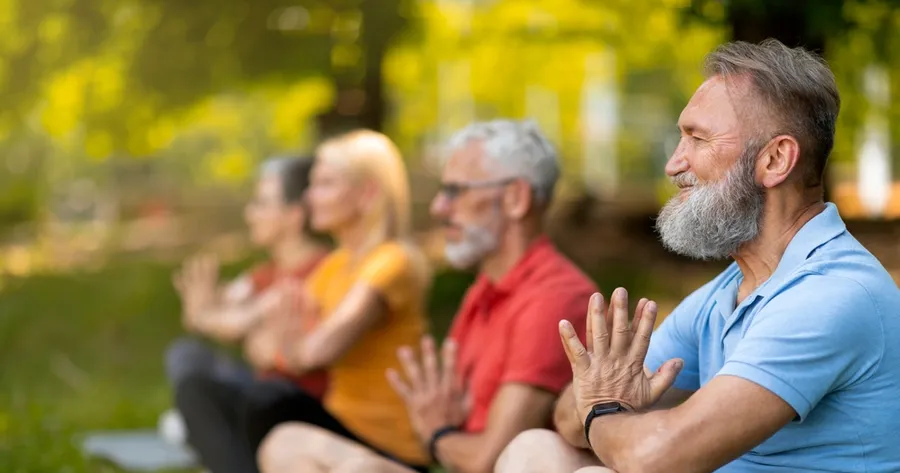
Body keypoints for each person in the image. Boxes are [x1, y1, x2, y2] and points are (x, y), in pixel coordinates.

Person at [496, 39, 900, 473]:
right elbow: (564, 420)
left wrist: (600, 408)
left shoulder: (831, 295)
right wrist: (604, 399)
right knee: (537, 449)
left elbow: (659, 456)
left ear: (776, 159)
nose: (674, 164)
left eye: (697, 138)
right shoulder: (729, 292)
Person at [259, 119, 597, 473]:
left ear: (516, 198)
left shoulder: (555, 298)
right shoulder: (484, 289)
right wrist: (438, 431)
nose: (438, 207)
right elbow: (435, 422)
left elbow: (487, 458)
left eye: (455, 191)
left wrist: (438, 434)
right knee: (285, 443)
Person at [254, 129, 434, 473]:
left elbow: (319, 351)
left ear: (367, 193)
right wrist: (289, 351)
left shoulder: (393, 262)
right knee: (280, 439)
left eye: (325, 184)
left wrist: (288, 351)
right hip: (342, 425)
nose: (310, 197)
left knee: (268, 401)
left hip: (389, 446)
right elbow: (262, 341)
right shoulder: (336, 265)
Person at [167, 156, 330, 472]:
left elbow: (231, 323)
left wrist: (206, 317)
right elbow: (220, 312)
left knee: (194, 389)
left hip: (294, 402)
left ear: (293, 216)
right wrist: (204, 313)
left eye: (261, 204)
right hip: (262, 386)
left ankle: (208, 438)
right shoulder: (265, 273)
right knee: (186, 355)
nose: (250, 214)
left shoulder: (315, 271)